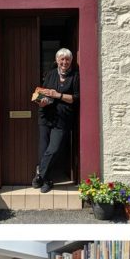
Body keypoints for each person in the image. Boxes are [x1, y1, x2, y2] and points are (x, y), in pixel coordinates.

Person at [32, 48, 80, 193]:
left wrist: (57, 95)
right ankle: (47, 181)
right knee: (43, 150)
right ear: (57, 60)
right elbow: (42, 93)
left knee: (53, 150)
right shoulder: (51, 74)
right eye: (62, 59)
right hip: (46, 116)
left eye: (67, 59)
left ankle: (39, 175)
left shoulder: (75, 76)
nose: (64, 62)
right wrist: (41, 100)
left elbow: (76, 98)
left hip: (63, 119)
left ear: (71, 61)